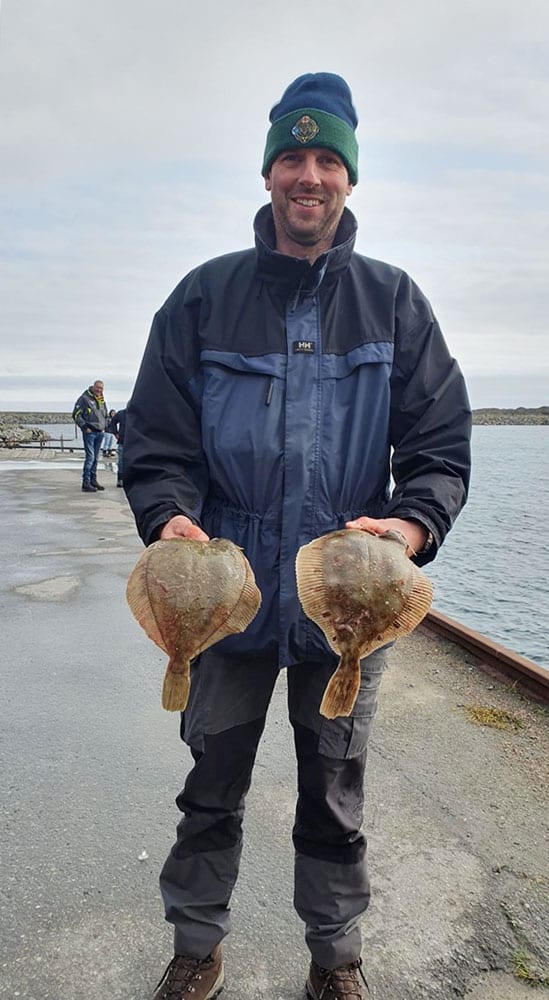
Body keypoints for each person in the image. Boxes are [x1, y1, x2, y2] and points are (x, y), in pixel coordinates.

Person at [124, 72, 471, 1000]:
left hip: (347, 596)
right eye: (291, 158)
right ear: (268, 172)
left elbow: (439, 447)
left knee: (335, 795)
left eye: (326, 161)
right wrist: (168, 516)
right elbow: (153, 440)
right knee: (210, 789)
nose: (307, 176)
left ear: (349, 180)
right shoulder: (202, 297)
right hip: (225, 594)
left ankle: (336, 959)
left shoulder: (394, 303)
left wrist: (407, 521)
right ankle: (195, 947)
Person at [72, 379, 108, 492]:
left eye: (101, 388)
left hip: (100, 432)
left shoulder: (101, 400)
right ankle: (86, 482)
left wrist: (106, 425)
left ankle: (93, 480)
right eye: (97, 388)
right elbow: (76, 414)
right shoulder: (84, 399)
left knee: (96, 458)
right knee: (90, 457)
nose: (99, 390)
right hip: (90, 432)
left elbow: (105, 414)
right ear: (93, 387)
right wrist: (84, 427)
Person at [111, 407, 126, 487]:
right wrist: (115, 433)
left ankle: (125, 479)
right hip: (123, 441)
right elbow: (113, 422)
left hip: (133, 441)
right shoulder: (121, 413)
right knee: (121, 461)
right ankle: (120, 479)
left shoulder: (137, 413)